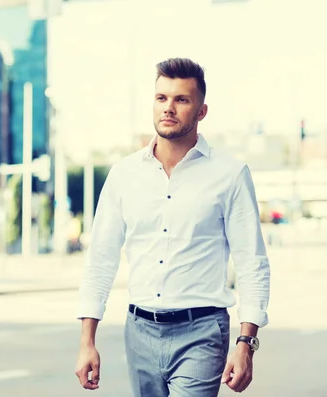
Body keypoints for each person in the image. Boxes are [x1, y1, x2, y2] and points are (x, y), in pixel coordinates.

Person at [74, 58, 270, 396]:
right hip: (139, 331)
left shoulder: (230, 174)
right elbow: (100, 258)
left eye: (181, 100)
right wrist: (86, 341)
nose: (169, 108)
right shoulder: (124, 174)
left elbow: (251, 261)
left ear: (201, 111)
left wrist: (246, 342)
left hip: (202, 331)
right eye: (161, 98)